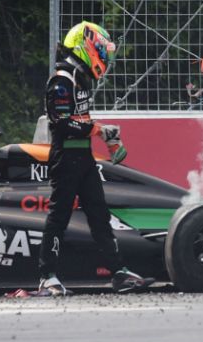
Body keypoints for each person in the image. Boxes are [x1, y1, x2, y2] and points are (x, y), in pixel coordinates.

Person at [38, 21, 155, 296]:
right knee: (59, 217)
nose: (104, 56)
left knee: (100, 216)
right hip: (65, 157)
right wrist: (100, 130)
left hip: (83, 157)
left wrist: (107, 135)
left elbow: (82, 121)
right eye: (101, 49)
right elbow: (63, 123)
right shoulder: (61, 80)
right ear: (85, 46)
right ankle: (47, 276)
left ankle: (118, 273)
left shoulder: (80, 78)